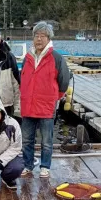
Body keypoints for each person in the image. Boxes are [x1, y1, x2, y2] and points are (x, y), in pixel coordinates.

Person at [20, 21, 70, 178]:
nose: (39, 39)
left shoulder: (56, 58)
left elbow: (64, 80)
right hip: (28, 106)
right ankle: (27, 165)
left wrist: (55, 97)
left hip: (46, 107)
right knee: (26, 140)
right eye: (36, 35)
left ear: (49, 38)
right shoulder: (27, 57)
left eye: (43, 36)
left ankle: (45, 166)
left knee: (47, 141)